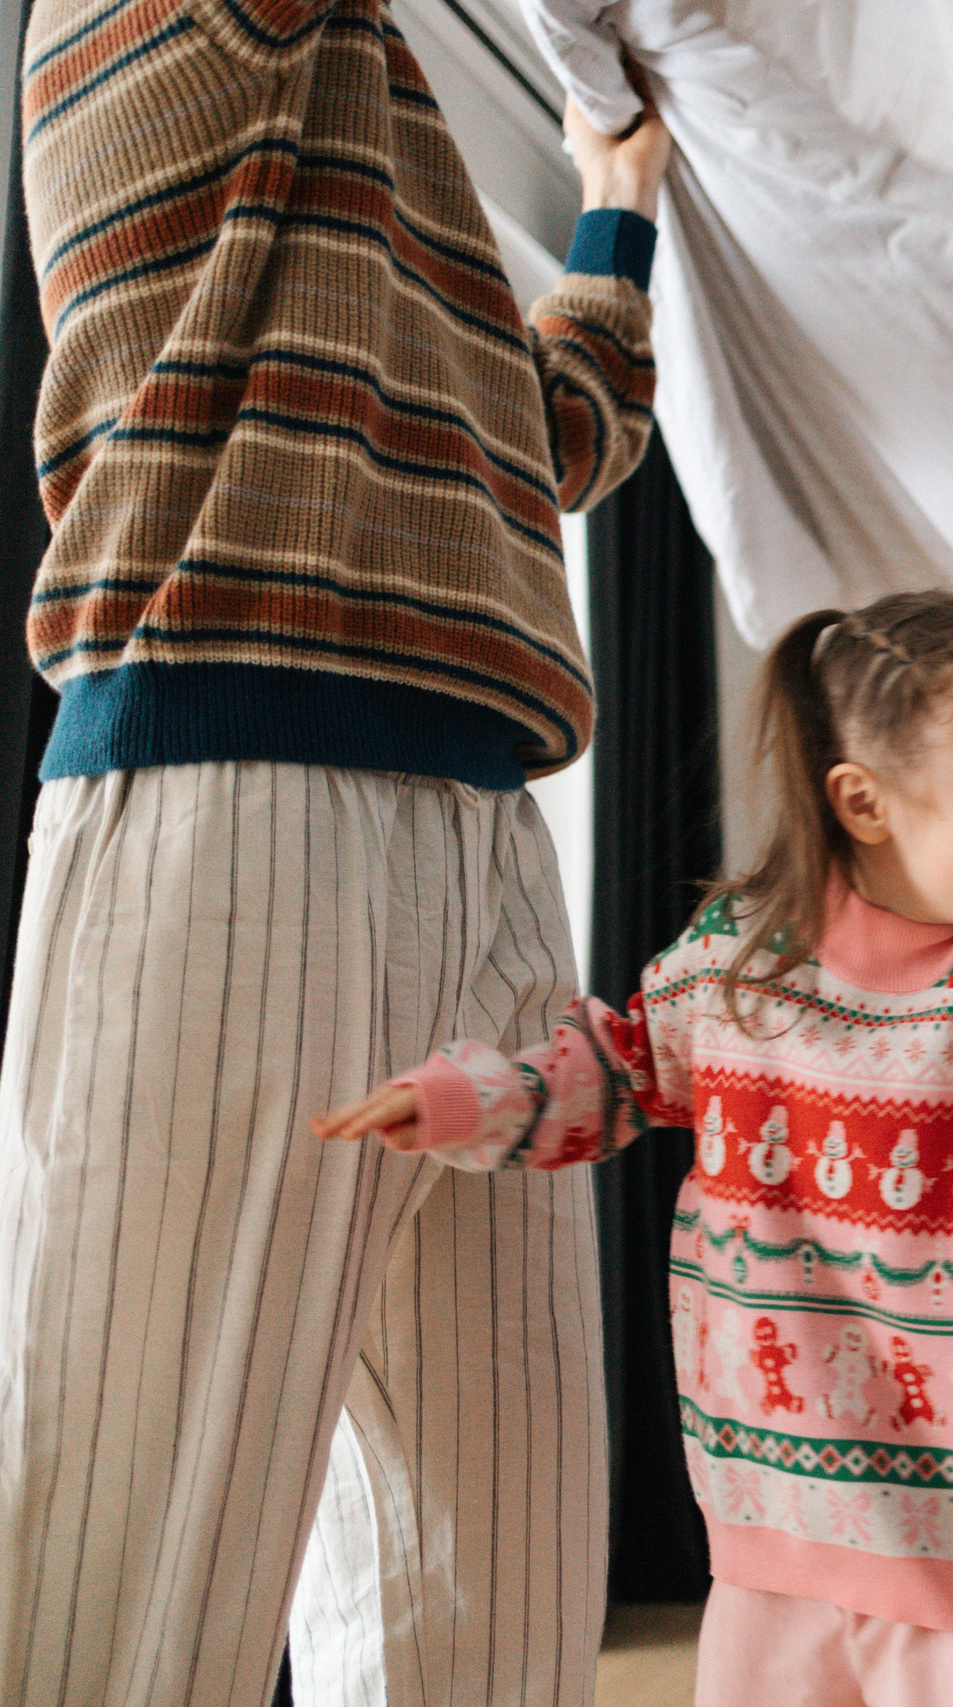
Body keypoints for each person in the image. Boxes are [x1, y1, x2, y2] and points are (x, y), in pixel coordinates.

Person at [3, 0, 670, 1697]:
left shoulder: (386, 179)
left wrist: (614, 206)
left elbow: (555, 436)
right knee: (130, 1556)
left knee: (497, 1572)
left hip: (489, 833)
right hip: (229, 787)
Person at [318, 591, 953, 1707]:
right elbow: (621, 1071)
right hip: (768, 1510)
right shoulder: (737, 966)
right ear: (864, 802)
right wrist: (464, 1099)